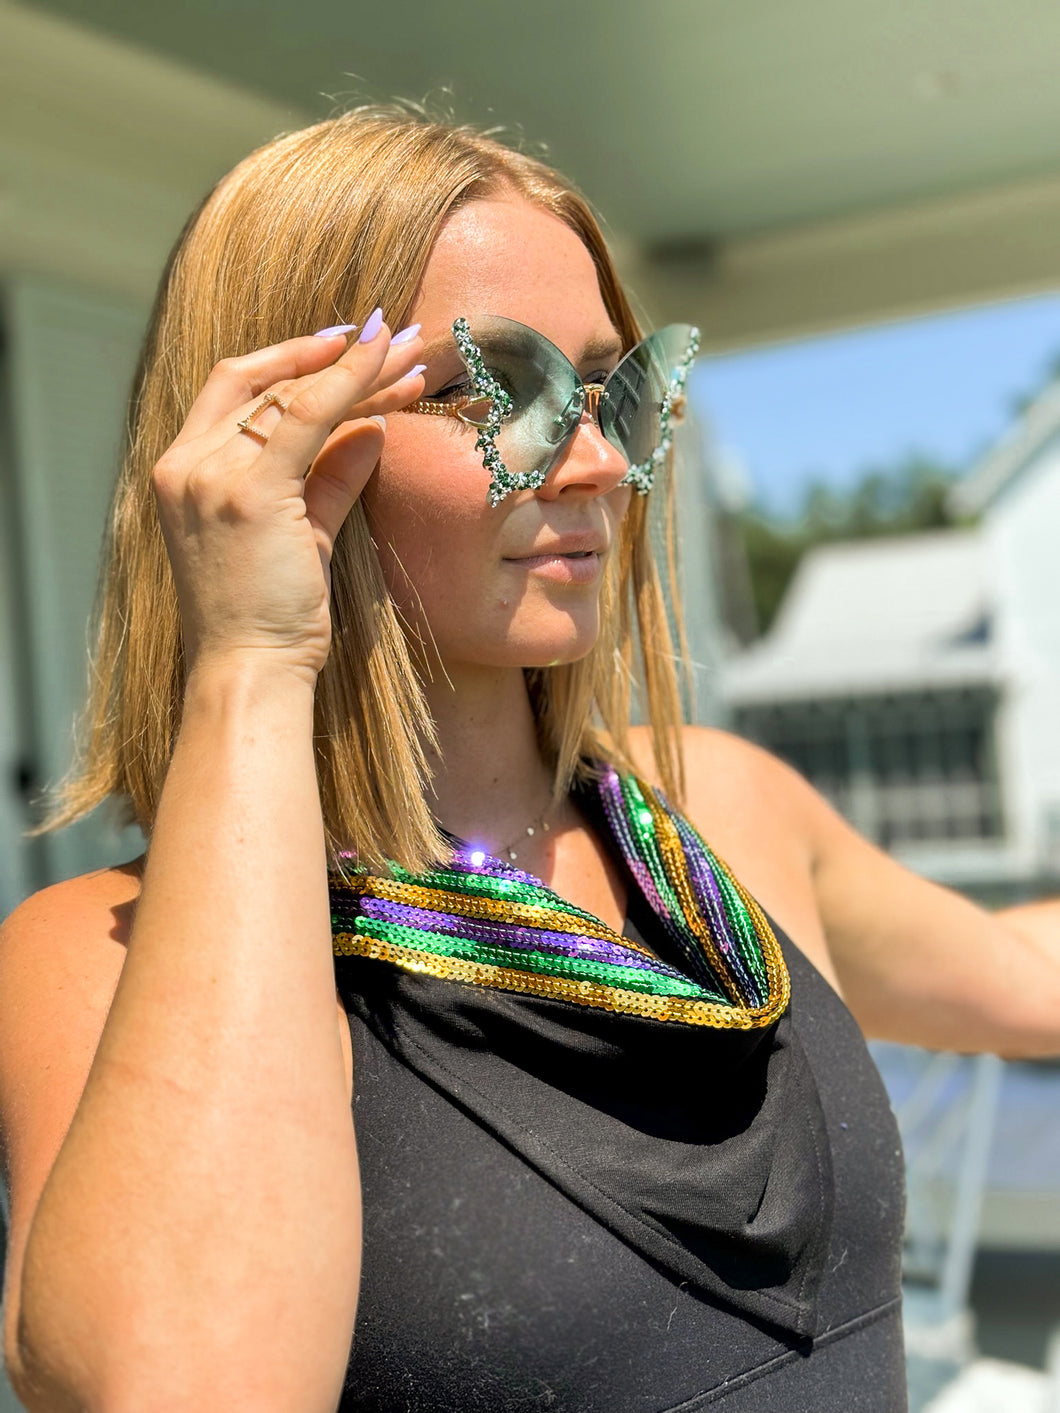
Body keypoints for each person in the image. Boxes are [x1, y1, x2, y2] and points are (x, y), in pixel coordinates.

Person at [1, 106, 1058, 1413]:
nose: (604, 460)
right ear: (278, 439)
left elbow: (1024, 971)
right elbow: (188, 1384)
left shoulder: (716, 810)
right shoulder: (100, 958)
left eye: (616, 386)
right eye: (495, 387)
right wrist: (252, 659)